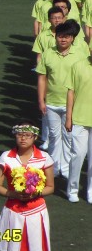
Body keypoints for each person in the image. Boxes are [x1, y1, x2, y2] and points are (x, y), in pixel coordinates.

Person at [0, 123, 54, 251]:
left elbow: (50, 187)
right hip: (13, 212)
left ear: (35, 137)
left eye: (27, 135)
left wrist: (36, 193)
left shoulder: (44, 158)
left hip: (37, 213)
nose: (23, 138)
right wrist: (13, 194)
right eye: (20, 135)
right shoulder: (6, 157)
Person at [36, 20, 87, 178]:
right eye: (60, 36)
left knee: (68, 137)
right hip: (51, 103)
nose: (63, 39)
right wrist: (41, 100)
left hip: (71, 104)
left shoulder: (80, 55)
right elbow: (42, 78)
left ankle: (65, 168)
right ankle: (53, 167)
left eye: (66, 36)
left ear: (72, 38)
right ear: (55, 37)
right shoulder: (48, 53)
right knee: (53, 136)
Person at [64, 48, 92, 204]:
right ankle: (72, 190)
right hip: (80, 119)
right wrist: (68, 117)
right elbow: (71, 92)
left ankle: (91, 191)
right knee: (78, 155)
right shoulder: (78, 65)